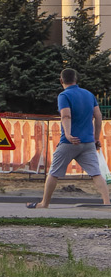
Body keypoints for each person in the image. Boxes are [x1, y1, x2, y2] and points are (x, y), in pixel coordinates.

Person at [30, 67, 111, 208]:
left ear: (61, 80)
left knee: (54, 173)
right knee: (96, 173)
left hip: (69, 142)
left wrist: (68, 134)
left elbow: (66, 115)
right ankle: (107, 203)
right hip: (88, 142)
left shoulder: (64, 96)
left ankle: (44, 203)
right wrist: (96, 137)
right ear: (76, 79)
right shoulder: (89, 95)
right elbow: (98, 116)